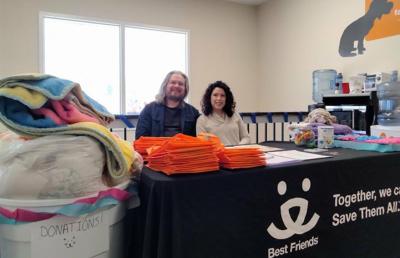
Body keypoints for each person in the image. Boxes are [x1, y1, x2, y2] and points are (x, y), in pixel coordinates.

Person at [135, 71, 200, 139]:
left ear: (185, 89)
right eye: (173, 82)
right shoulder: (148, 110)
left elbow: (198, 139)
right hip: (155, 149)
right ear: (165, 85)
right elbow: (140, 139)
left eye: (180, 84)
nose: (176, 85)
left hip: (183, 149)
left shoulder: (193, 113)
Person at [196, 81, 250, 145]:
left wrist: (238, 147)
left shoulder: (235, 115)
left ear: (226, 98)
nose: (219, 98)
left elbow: (246, 138)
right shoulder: (202, 120)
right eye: (215, 95)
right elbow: (204, 145)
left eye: (222, 95)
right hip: (217, 155)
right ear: (209, 98)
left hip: (237, 153)